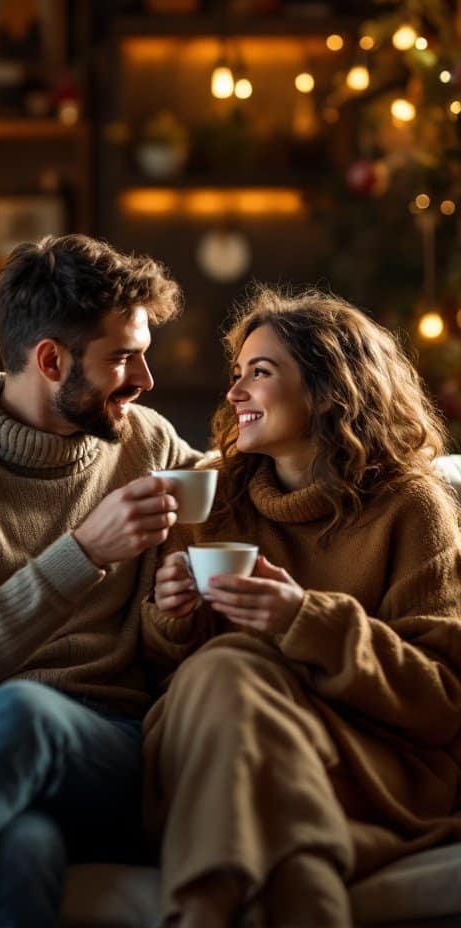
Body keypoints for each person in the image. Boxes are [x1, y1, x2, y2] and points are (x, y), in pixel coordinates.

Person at [0, 233, 201, 927]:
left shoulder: (146, 442)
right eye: (123, 357)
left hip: (106, 749)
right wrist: (83, 552)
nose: (145, 380)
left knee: (27, 718)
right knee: (17, 846)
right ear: (52, 360)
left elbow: (252, 485)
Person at [142, 286, 461, 928]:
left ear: (327, 390)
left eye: (259, 374)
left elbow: (442, 697)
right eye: (236, 375)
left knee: (232, 663)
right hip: (224, 752)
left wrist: (301, 619)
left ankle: (202, 909)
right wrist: (172, 618)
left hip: (360, 759)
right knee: (228, 664)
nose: (234, 394)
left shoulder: (411, 508)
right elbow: (163, 674)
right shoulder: (214, 497)